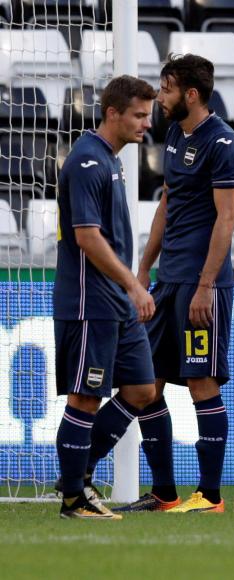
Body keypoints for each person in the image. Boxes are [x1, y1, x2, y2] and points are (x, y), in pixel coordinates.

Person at [117, 54, 234, 514]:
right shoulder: (175, 133)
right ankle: (165, 493)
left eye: (166, 89)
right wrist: (143, 268)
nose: (160, 97)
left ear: (190, 94)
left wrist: (206, 285)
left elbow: (227, 219)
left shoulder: (223, 142)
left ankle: (210, 496)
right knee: (147, 385)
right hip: (168, 281)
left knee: (201, 383)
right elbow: (167, 205)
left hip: (200, 285)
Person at [53, 75, 158, 519]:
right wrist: (134, 283)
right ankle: (75, 498)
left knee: (141, 389)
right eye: (138, 115)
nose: (146, 124)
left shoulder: (111, 160)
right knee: (84, 397)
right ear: (112, 113)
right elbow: (87, 238)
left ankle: (78, 474)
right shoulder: (87, 162)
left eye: (149, 115)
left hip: (116, 301)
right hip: (89, 300)